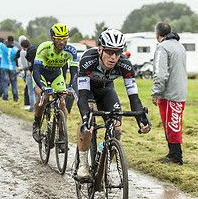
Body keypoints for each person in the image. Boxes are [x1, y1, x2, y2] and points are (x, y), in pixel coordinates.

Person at [74, 29, 150, 179]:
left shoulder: (125, 65)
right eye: (109, 51)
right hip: (86, 89)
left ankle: (103, 163)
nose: (114, 57)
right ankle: (83, 165)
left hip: (106, 90)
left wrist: (141, 119)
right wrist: (85, 118)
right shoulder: (88, 60)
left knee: (116, 127)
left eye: (118, 52)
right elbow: (83, 95)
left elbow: (133, 97)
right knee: (89, 120)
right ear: (101, 49)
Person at [31, 23, 77, 143]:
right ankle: (36, 123)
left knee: (62, 102)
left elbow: (74, 71)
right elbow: (35, 70)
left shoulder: (71, 50)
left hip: (56, 75)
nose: (62, 41)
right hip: (41, 75)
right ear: (52, 38)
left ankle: (61, 135)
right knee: (44, 97)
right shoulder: (44, 48)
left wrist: (71, 86)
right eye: (59, 38)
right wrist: (43, 86)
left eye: (64, 38)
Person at [152, 22, 187, 165]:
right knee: (174, 124)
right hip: (180, 91)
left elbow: (160, 73)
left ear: (157, 34)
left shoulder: (162, 47)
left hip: (169, 93)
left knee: (171, 125)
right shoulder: (180, 46)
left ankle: (176, 157)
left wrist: (156, 92)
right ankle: (172, 152)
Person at [0, 30, 19, 102]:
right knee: (13, 83)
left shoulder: (3, 47)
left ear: (7, 41)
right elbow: (17, 59)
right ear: (13, 42)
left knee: (4, 82)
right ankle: (15, 97)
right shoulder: (15, 51)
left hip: (4, 67)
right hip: (12, 68)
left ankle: (5, 96)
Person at [15, 38, 36, 112]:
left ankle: (32, 108)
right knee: (37, 91)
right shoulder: (34, 49)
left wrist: (22, 69)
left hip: (29, 72)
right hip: (37, 72)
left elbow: (25, 65)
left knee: (31, 92)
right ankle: (38, 108)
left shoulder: (24, 52)